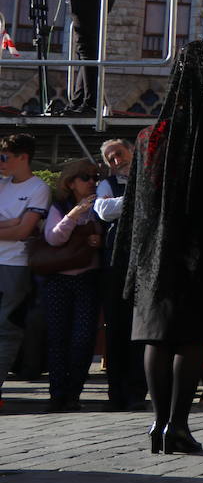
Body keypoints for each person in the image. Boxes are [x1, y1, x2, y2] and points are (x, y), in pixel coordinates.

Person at [114, 41, 203, 454]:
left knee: (157, 339)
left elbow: (138, 205)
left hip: (156, 255)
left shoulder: (148, 138)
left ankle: (158, 424)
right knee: (191, 341)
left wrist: (137, 251)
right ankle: (178, 425)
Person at [40, 158, 105, 411]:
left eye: (94, 178)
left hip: (88, 278)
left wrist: (98, 240)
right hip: (59, 278)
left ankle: (74, 393)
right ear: (71, 182)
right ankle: (57, 394)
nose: (92, 183)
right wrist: (74, 214)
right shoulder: (61, 206)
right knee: (57, 338)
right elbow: (54, 238)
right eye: (86, 178)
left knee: (83, 338)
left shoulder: (99, 206)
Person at [92, 138, 148, 410]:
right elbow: (103, 210)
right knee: (116, 328)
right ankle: (117, 392)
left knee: (142, 327)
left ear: (132, 152)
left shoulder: (149, 177)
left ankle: (138, 389)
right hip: (116, 263)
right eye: (110, 158)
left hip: (145, 261)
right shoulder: (107, 185)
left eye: (119, 154)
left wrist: (123, 204)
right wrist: (136, 199)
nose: (116, 161)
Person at [0, 132, 51, 410]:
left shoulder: (38, 188)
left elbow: (25, 229)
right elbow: (17, 227)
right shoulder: (2, 184)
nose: (1, 162)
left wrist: (16, 227)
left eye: (5, 157)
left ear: (23, 157)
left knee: (5, 328)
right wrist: (13, 226)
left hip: (13, 266)